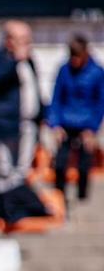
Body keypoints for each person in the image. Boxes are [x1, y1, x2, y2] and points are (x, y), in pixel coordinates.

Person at [0, 20, 44, 187]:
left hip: (28, 123)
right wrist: (15, 61)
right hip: (6, 124)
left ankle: (20, 198)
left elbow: (34, 89)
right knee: (5, 171)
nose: (27, 44)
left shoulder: (29, 61)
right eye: (23, 40)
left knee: (23, 171)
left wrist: (42, 114)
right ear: (9, 41)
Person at [48, 35, 104, 203]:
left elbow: (99, 103)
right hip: (65, 124)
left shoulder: (97, 72)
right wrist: (55, 125)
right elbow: (56, 98)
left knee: (84, 165)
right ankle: (58, 198)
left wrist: (92, 129)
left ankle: (82, 199)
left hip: (86, 125)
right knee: (60, 163)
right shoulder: (64, 70)